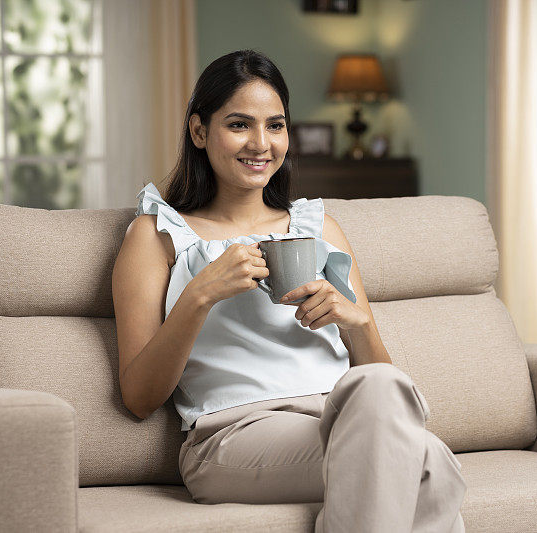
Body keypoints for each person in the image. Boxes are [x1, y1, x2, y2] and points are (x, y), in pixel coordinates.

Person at [112, 49, 466, 532]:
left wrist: (355, 321)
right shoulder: (158, 234)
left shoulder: (320, 228)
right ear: (199, 131)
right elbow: (138, 396)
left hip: (344, 415)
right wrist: (200, 295)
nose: (261, 144)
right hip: (231, 436)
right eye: (240, 124)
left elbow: (382, 379)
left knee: (383, 389)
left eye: (275, 126)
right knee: (430, 460)